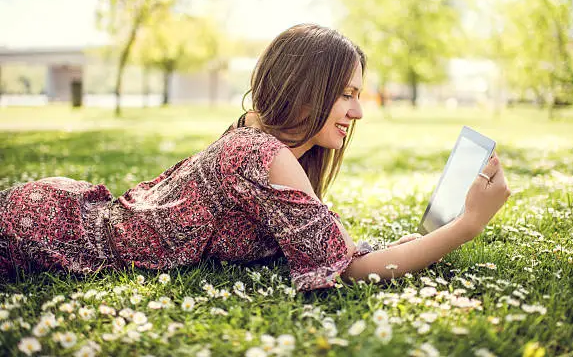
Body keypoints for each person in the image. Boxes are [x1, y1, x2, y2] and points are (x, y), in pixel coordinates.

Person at [0, 23, 511, 292]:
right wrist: (465, 225)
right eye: (347, 94)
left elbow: (331, 249)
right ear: (309, 91)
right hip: (49, 229)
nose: (358, 111)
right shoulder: (266, 155)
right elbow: (349, 272)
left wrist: (414, 240)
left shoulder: (256, 135)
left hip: (64, 209)